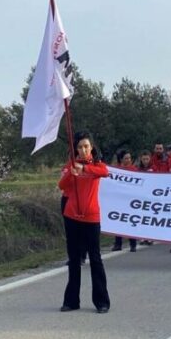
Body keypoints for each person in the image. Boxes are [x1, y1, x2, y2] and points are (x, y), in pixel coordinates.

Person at [58, 131, 112, 311]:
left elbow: (105, 172)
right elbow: (61, 185)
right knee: (74, 260)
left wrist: (85, 169)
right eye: (80, 147)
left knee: (95, 259)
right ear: (76, 149)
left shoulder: (96, 165)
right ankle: (71, 301)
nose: (83, 150)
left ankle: (102, 302)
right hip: (72, 216)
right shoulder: (71, 165)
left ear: (91, 148)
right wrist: (71, 173)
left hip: (91, 217)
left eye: (86, 146)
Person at [110, 150, 138, 252]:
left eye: (129, 158)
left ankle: (133, 244)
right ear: (121, 159)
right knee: (118, 222)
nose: (128, 160)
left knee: (130, 222)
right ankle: (118, 244)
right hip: (120, 200)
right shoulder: (117, 170)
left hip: (131, 200)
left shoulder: (134, 169)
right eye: (126, 158)